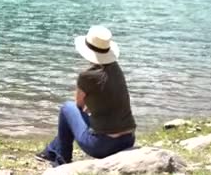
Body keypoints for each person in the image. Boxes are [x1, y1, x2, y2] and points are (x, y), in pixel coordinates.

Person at [36, 25, 136, 166]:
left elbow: (79, 105)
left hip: (102, 146)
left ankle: (61, 158)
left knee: (67, 108)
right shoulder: (116, 69)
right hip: (128, 140)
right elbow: (109, 99)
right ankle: (51, 150)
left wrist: (88, 107)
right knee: (77, 115)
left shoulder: (86, 76)